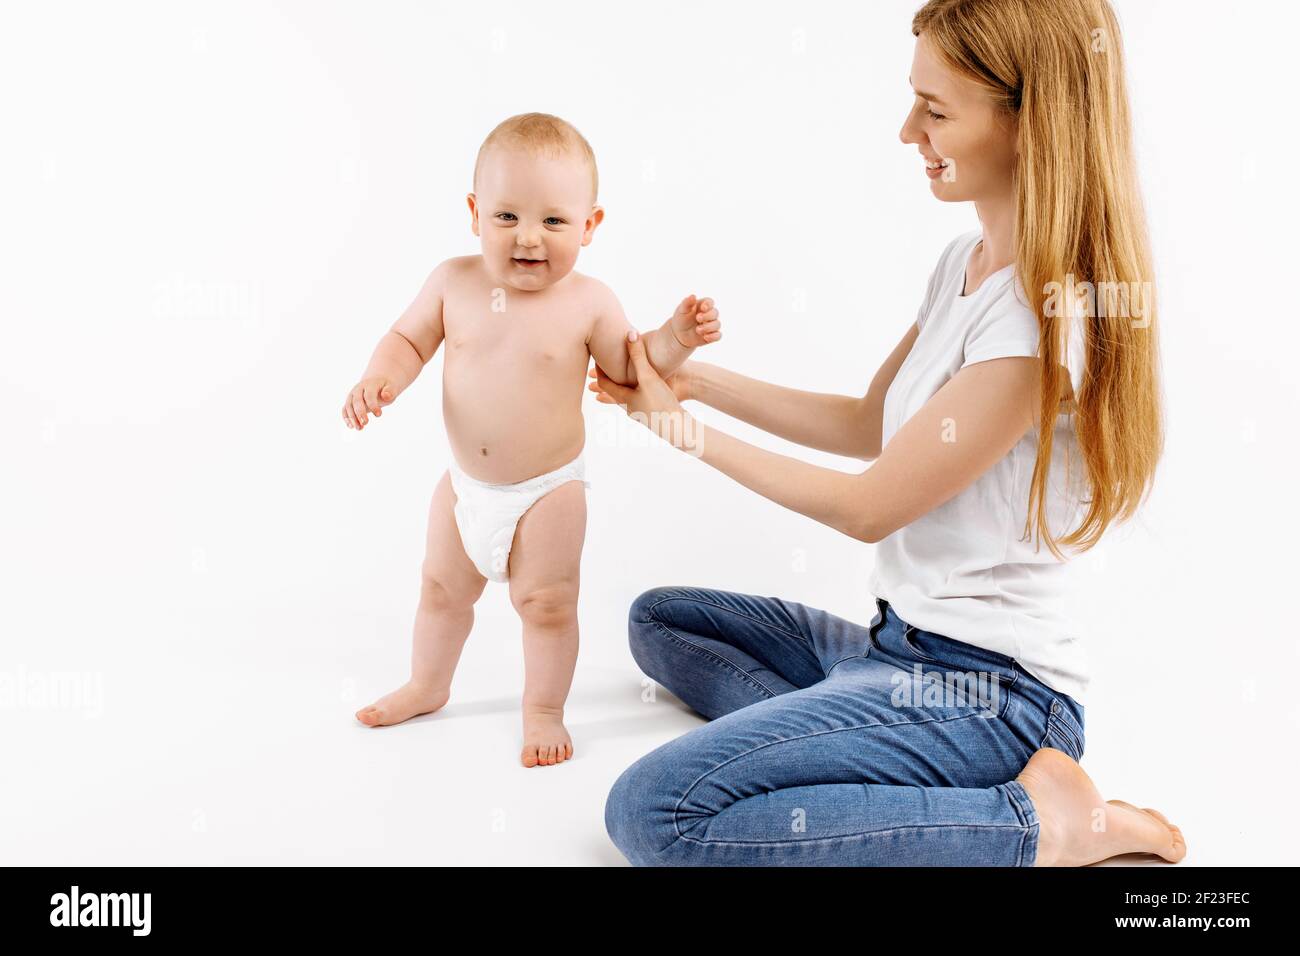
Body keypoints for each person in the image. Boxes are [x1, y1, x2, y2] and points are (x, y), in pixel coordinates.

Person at [594, 0, 1185, 865]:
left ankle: (1044, 825)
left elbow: (867, 507)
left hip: (992, 695)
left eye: (937, 110)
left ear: (1031, 124)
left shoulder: (1040, 324)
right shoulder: (965, 264)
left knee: (655, 813)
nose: (909, 130)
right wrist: (693, 384)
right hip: (892, 647)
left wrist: (674, 430)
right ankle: (857, 759)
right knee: (665, 625)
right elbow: (873, 424)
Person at [341, 112, 721, 767]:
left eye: (553, 221)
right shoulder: (451, 283)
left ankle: (543, 709)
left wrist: (675, 339)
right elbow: (407, 340)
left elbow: (631, 367)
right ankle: (428, 684)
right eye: (507, 217)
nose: (528, 238)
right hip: (463, 490)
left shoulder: (590, 302)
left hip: (548, 493)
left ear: (590, 226)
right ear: (475, 213)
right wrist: (382, 377)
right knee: (439, 591)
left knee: (546, 606)